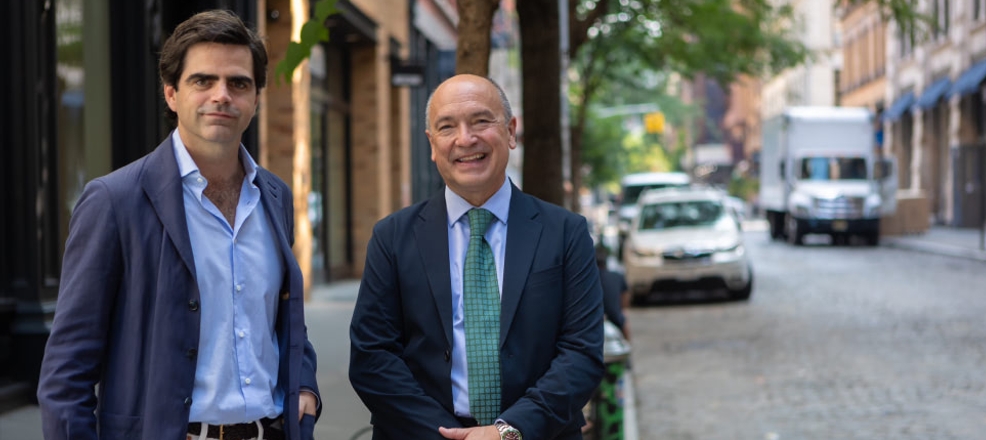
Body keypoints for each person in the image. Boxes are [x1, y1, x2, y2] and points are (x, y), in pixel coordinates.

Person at [37, 10, 320, 440]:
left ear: (257, 99)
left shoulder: (275, 196)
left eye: (238, 83)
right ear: (171, 94)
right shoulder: (115, 201)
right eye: (202, 81)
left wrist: (305, 386)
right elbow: (66, 373)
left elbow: (283, 320)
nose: (222, 95)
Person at [349, 74, 605, 440]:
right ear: (432, 145)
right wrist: (450, 436)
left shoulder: (566, 233)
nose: (465, 139)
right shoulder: (391, 238)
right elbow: (372, 357)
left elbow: (581, 353)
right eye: (447, 127)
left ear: (511, 131)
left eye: (481, 121)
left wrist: (507, 431)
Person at [595, 246, 630, 340]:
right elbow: (625, 296)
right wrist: (623, 310)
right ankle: (628, 347)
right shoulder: (617, 276)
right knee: (624, 325)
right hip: (615, 315)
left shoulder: (588, 279)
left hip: (595, 316)